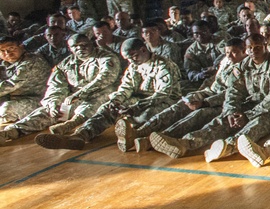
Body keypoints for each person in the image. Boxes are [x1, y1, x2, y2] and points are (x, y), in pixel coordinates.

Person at [149, 33, 270, 162]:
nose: (253, 51)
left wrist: (248, 115)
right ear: (246, 48)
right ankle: (185, 143)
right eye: (250, 48)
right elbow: (234, 91)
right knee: (223, 120)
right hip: (253, 103)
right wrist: (231, 111)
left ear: (265, 46)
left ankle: (228, 147)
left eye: (258, 47)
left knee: (258, 123)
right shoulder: (242, 66)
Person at [35, 38, 181, 152]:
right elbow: (126, 88)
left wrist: (135, 107)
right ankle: (81, 135)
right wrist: (117, 100)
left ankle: (135, 137)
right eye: (128, 58)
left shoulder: (164, 65)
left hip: (165, 101)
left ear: (143, 50)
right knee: (107, 108)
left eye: (134, 56)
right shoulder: (133, 66)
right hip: (139, 99)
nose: (131, 61)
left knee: (146, 116)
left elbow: (162, 94)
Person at [0, 34, 121, 143]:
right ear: (70, 49)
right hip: (71, 100)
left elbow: (105, 79)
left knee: (94, 104)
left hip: (98, 95)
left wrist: (79, 94)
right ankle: (11, 132)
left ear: (91, 44)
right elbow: (56, 85)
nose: (80, 49)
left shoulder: (106, 58)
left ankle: (72, 130)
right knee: (45, 112)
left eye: (84, 45)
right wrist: (54, 103)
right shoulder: (65, 64)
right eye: (75, 46)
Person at [0, 35, 52, 125]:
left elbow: (11, 84)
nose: (8, 53)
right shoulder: (6, 64)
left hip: (38, 100)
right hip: (14, 98)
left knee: (7, 108)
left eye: (11, 48)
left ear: (21, 47)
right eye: (2, 51)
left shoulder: (31, 61)